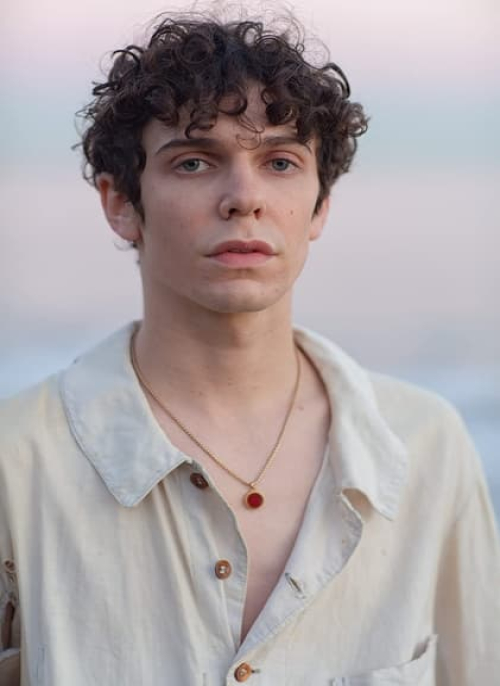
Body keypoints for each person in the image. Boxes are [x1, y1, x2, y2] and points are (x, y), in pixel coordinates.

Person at [0, 10, 499, 686]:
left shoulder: (426, 449)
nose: (244, 198)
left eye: (280, 162)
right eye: (194, 162)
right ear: (120, 204)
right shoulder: (17, 463)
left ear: (320, 205)